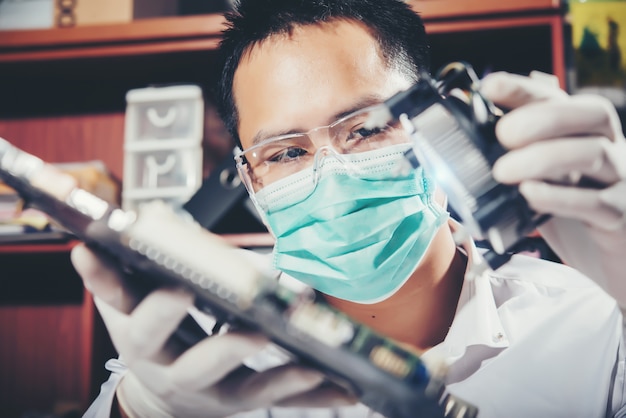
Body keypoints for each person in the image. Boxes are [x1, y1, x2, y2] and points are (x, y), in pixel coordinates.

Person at [78, 0, 626, 417]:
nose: (331, 172)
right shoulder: (192, 339)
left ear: (436, 119)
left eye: (364, 130)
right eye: (287, 152)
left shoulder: (592, 323)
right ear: (250, 179)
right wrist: (147, 406)